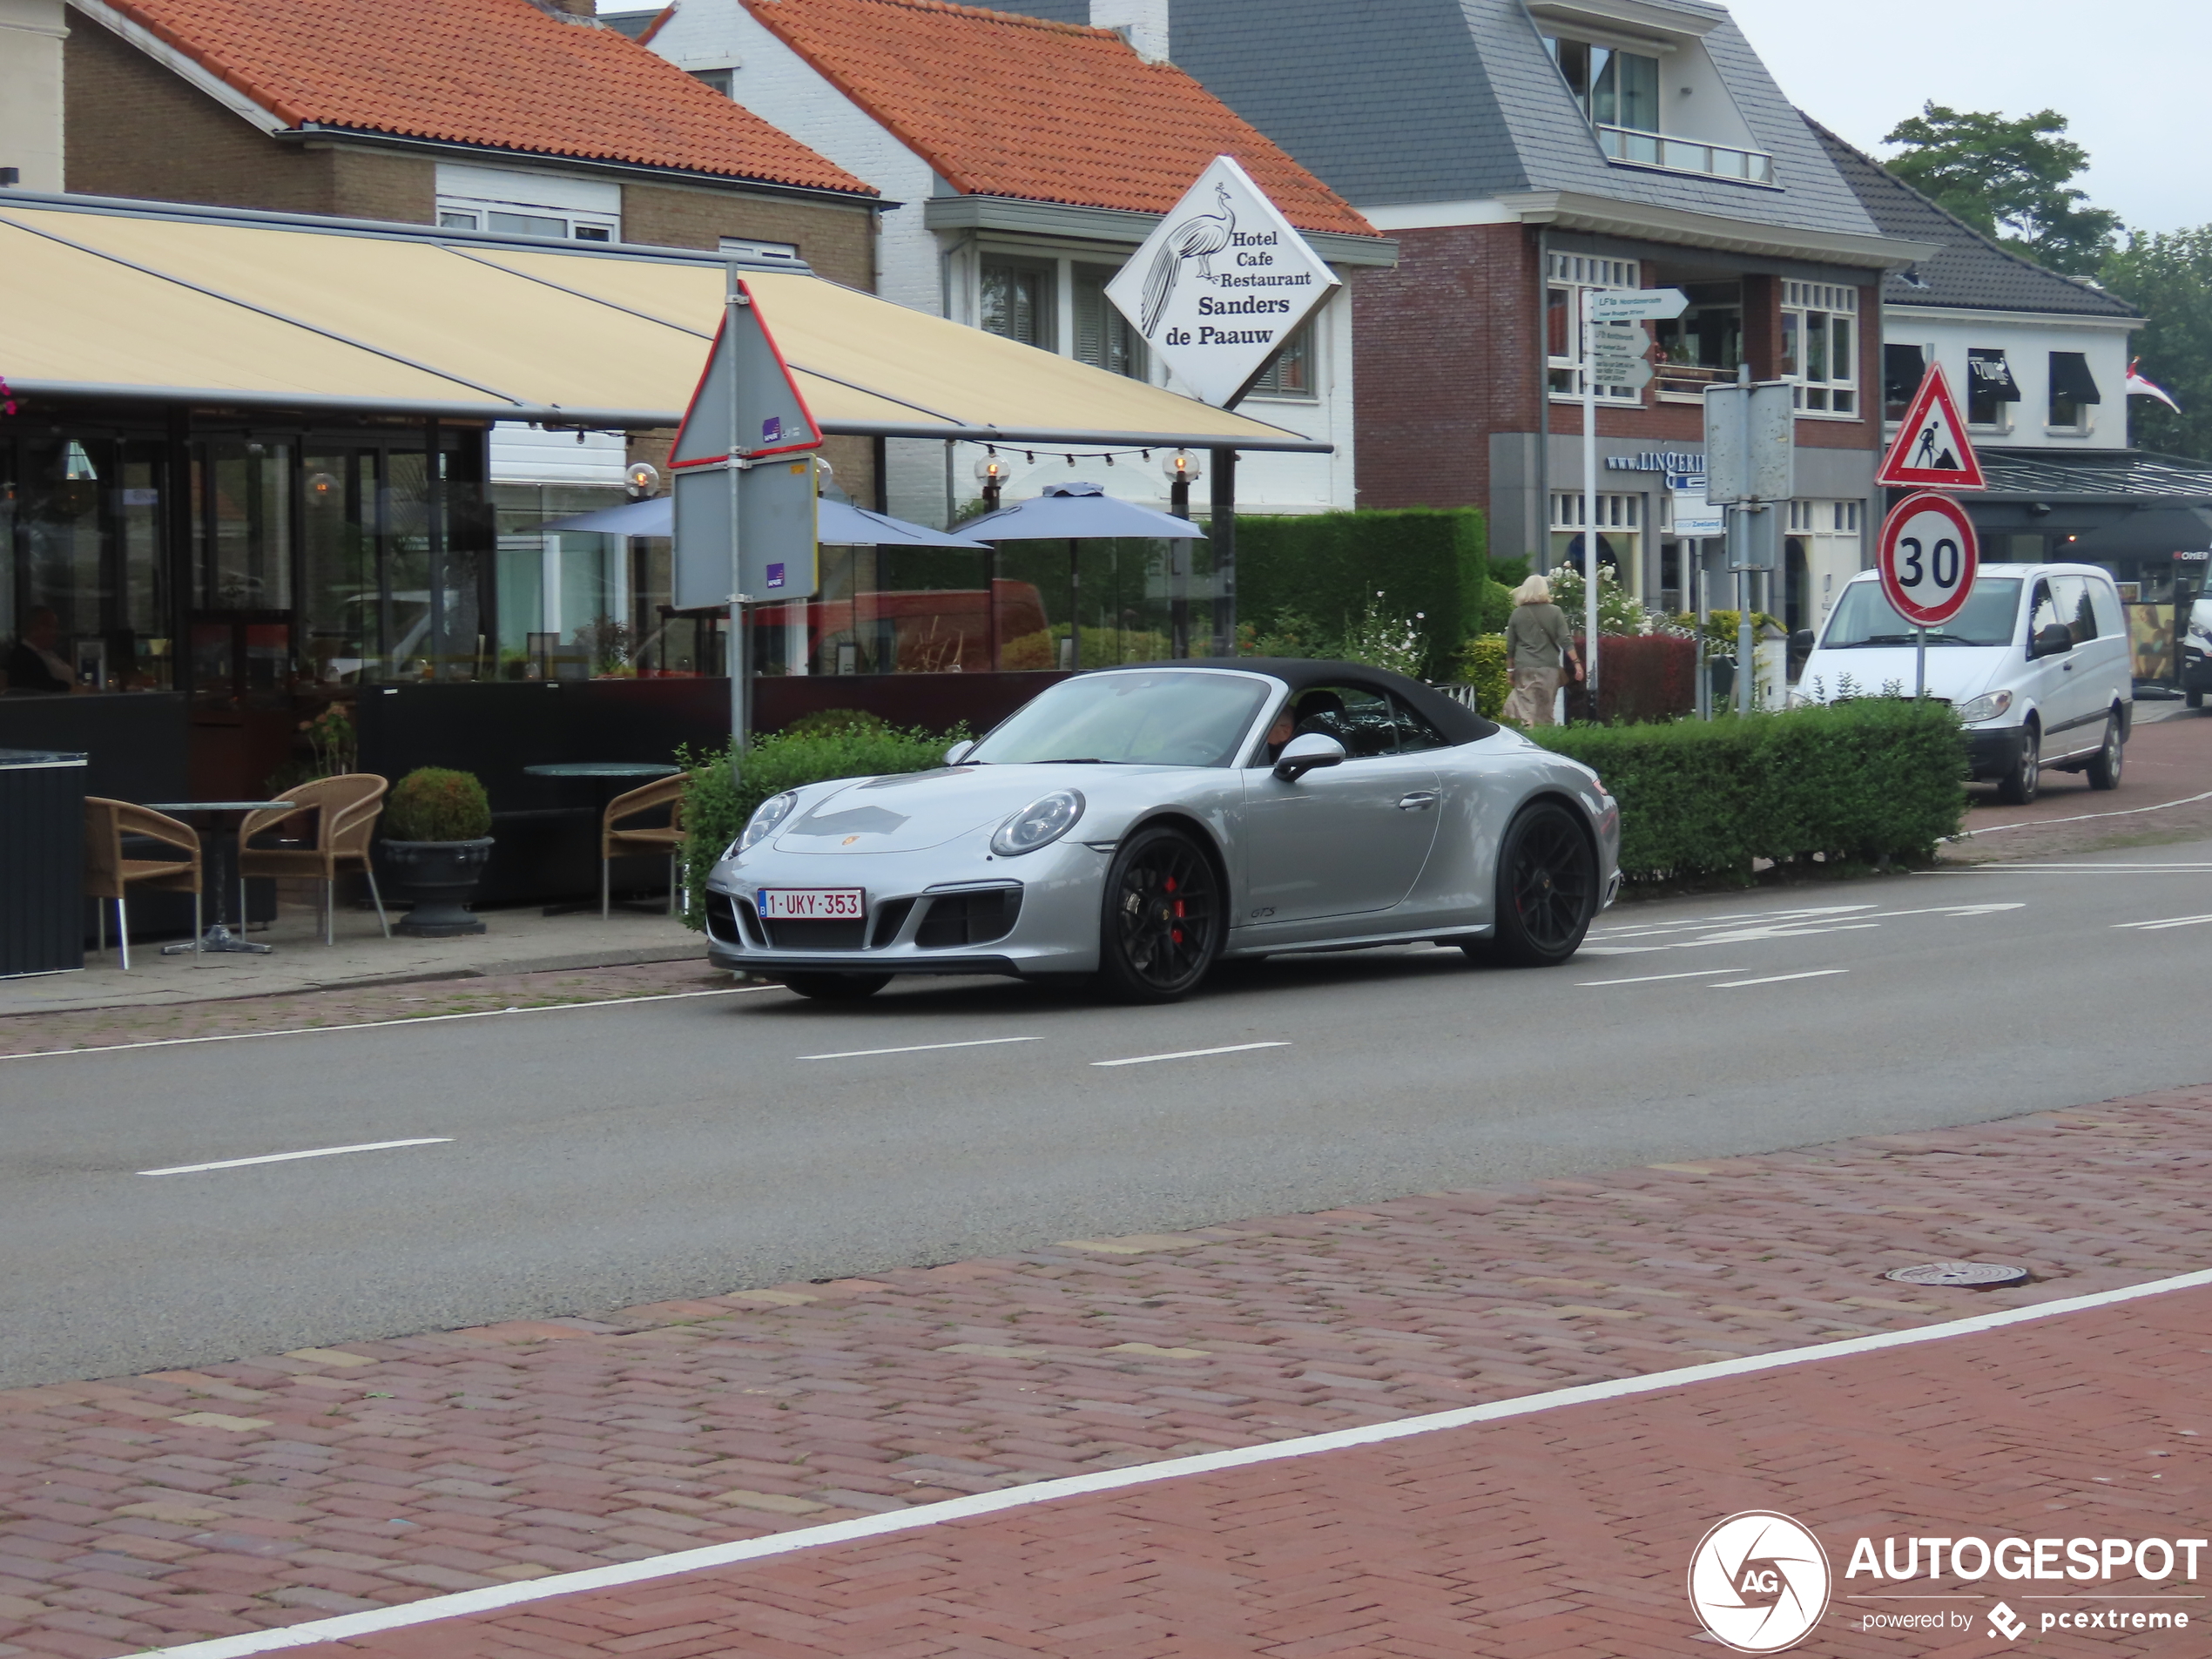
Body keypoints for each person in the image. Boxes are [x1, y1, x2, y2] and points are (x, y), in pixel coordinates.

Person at [1501, 575, 1579, 726]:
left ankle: (1529, 738)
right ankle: (1546, 741)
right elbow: (1565, 640)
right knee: (1546, 709)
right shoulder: (1555, 612)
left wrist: (1510, 670)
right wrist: (1576, 663)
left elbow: (1510, 646)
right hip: (1549, 667)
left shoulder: (1517, 614)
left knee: (1526, 709)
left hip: (1524, 667)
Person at [4, 607, 74, 694]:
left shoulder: (47, 653)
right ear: (37, 628)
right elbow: (37, 686)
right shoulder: (22, 657)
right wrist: (70, 688)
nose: (57, 633)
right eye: (53, 627)